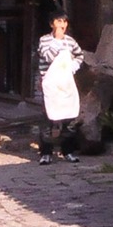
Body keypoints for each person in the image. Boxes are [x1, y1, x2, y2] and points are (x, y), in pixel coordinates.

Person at [36, 13, 84, 164]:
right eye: (58, 21)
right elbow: (48, 57)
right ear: (52, 24)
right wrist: (57, 40)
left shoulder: (70, 41)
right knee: (48, 119)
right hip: (50, 85)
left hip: (66, 84)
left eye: (64, 21)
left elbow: (79, 55)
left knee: (69, 119)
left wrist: (73, 66)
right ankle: (46, 153)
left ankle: (67, 151)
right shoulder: (45, 40)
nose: (62, 24)